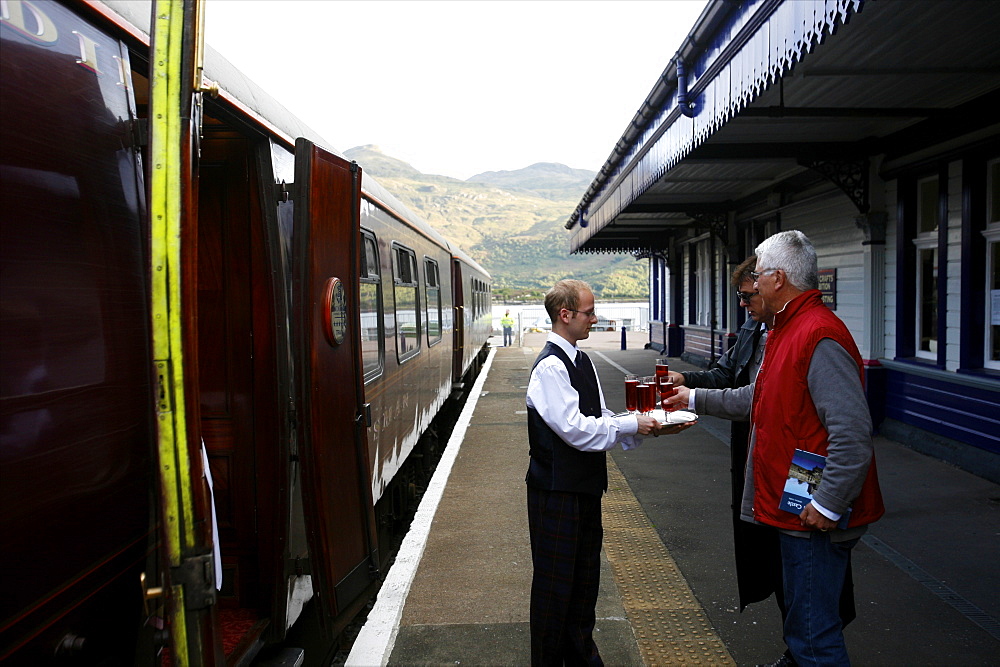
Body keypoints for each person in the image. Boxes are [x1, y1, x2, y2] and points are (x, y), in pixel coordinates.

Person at [666, 231, 883, 667]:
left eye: (759, 277)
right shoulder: (787, 329)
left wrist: (827, 502)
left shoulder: (817, 335)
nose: (752, 290)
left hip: (811, 512)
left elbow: (853, 433)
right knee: (804, 629)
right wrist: (691, 398)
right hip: (794, 505)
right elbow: (756, 396)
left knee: (813, 637)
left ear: (778, 278)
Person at [525, 279, 692, 666]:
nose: (594, 318)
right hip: (555, 493)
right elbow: (576, 430)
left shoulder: (581, 362)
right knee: (554, 591)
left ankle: (582, 657)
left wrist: (645, 423)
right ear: (565, 315)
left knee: (583, 585)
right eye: (589, 312)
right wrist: (633, 425)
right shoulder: (550, 367)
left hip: (581, 489)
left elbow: (599, 418)